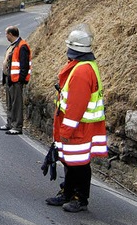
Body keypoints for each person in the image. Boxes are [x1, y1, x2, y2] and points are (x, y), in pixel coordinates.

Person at [46, 24, 107, 213]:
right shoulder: (82, 67)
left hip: (79, 129)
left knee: (79, 164)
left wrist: (65, 131)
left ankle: (80, 198)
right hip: (78, 127)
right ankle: (68, 192)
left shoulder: (81, 71)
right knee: (71, 162)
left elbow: (76, 107)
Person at [0, 25, 31, 135]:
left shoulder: (22, 46)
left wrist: (21, 80)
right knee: (10, 103)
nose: (6, 36)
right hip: (10, 79)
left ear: (11, 34)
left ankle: (17, 126)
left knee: (16, 104)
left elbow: (24, 65)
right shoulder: (13, 46)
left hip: (16, 80)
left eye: (6, 34)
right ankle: (10, 123)